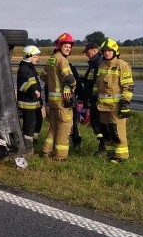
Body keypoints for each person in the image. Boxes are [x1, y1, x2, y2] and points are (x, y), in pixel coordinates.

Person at [95, 39, 134, 163]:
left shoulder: (122, 65)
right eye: (104, 51)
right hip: (103, 107)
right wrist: (94, 97)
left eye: (109, 51)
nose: (107, 53)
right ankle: (113, 153)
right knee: (108, 132)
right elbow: (98, 85)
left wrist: (125, 102)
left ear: (115, 51)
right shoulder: (101, 66)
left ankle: (122, 156)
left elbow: (128, 86)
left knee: (117, 132)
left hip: (116, 107)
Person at [41, 32, 77, 161]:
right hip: (63, 102)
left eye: (70, 46)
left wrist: (53, 83)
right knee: (64, 128)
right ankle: (60, 156)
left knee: (53, 127)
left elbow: (43, 76)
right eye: (66, 46)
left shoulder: (51, 58)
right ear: (59, 46)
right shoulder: (62, 60)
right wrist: (72, 86)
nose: (68, 48)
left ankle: (46, 151)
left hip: (52, 102)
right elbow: (69, 79)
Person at [80, 41, 106, 156]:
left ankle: (104, 147)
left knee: (99, 124)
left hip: (97, 99)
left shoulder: (99, 63)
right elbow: (88, 80)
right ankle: (102, 146)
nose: (86, 54)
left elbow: (98, 83)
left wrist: (92, 97)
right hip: (92, 99)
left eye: (87, 52)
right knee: (95, 123)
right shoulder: (93, 63)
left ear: (95, 50)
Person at [16, 45, 43, 151]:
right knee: (29, 124)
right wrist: (34, 91)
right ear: (29, 56)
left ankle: (33, 141)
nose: (37, 59)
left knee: (38, 120)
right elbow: (23, 85)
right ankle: (27, 145)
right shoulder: (24, 69)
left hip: (34, 102)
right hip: (27, 103)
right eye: (35, 56)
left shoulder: (30, 68)